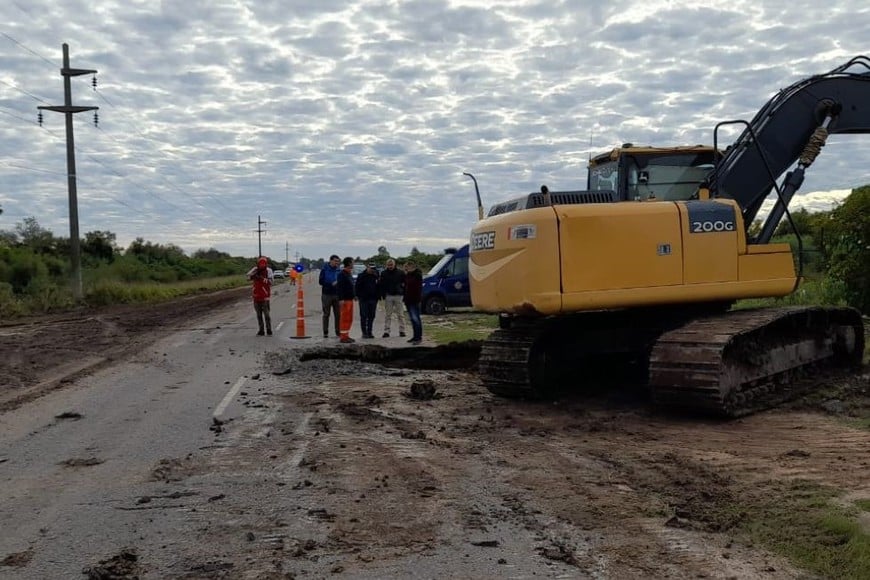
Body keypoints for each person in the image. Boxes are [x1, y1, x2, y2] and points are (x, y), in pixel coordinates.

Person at [377, 258, 406, 338]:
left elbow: (405, 283)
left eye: (391, 265)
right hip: (388, 296)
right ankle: (386, 331)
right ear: (386, 265)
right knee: (388, 315)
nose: (390, 266)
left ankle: (402, 330)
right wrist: (382, 295)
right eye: (388, 265)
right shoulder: (383, 273)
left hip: (398, 295)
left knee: (400, 314)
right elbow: (381, 285)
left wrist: (403, 291)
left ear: (394, 264)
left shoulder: (400, 273)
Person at [246, 256, 273, 336]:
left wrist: (262, 278)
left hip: (265, 296)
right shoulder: (255, 269)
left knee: (267, 315)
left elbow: (271, 282)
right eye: (260, 263)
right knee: (259, 315)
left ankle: (269, 329)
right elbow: (247, 277)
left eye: (263, 264)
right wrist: (254, 274)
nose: (262, 265)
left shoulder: (269, 271)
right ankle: (261, 330)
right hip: (256, 296)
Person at [355, 262, 380, 339]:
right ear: (367, 267)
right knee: (364, 316)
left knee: (371, 316)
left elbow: (379, 286)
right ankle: (364, 332)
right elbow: (357, 287)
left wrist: (378, 296)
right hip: (363, 299)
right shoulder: (361, 276)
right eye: (371, 268)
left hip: (373, 299)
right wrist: (357, 295)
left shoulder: (376, 276)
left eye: (373, 268)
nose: (372, 270)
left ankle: (370, 332)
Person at [318, 254, 341, 338]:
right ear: (330, 261)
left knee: (338, 314)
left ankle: (338, 331)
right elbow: (320, 281)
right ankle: (325, 331)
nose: (336, 263)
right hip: (326, 294)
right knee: (326, 314)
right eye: (335, 261)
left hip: (337, 294)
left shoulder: (339, 270)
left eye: (338, 261)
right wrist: (330, 284)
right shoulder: (324, 269)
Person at [336, 257, 356, 343]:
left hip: (350, 299)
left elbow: (351, 286)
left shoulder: (349, 273)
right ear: (349, 263)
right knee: (344, 318)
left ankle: (346, 335)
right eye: (352, 262)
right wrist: (341, 299)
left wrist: (354, 295)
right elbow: (340, 287)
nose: (353, 264)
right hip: (345, 300)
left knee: (349, 318)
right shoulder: (342, 274)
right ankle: (343, 337)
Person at [403, 260, 423, 344]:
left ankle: (418, 337)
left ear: (411, 267)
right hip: (408, 299)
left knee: (416, 319)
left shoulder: (417, 274)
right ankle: (415, 336)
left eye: (407, 268)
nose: (406, 270)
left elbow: (412, 284)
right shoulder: (408, 275)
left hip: (415, 299)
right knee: (412, 319)